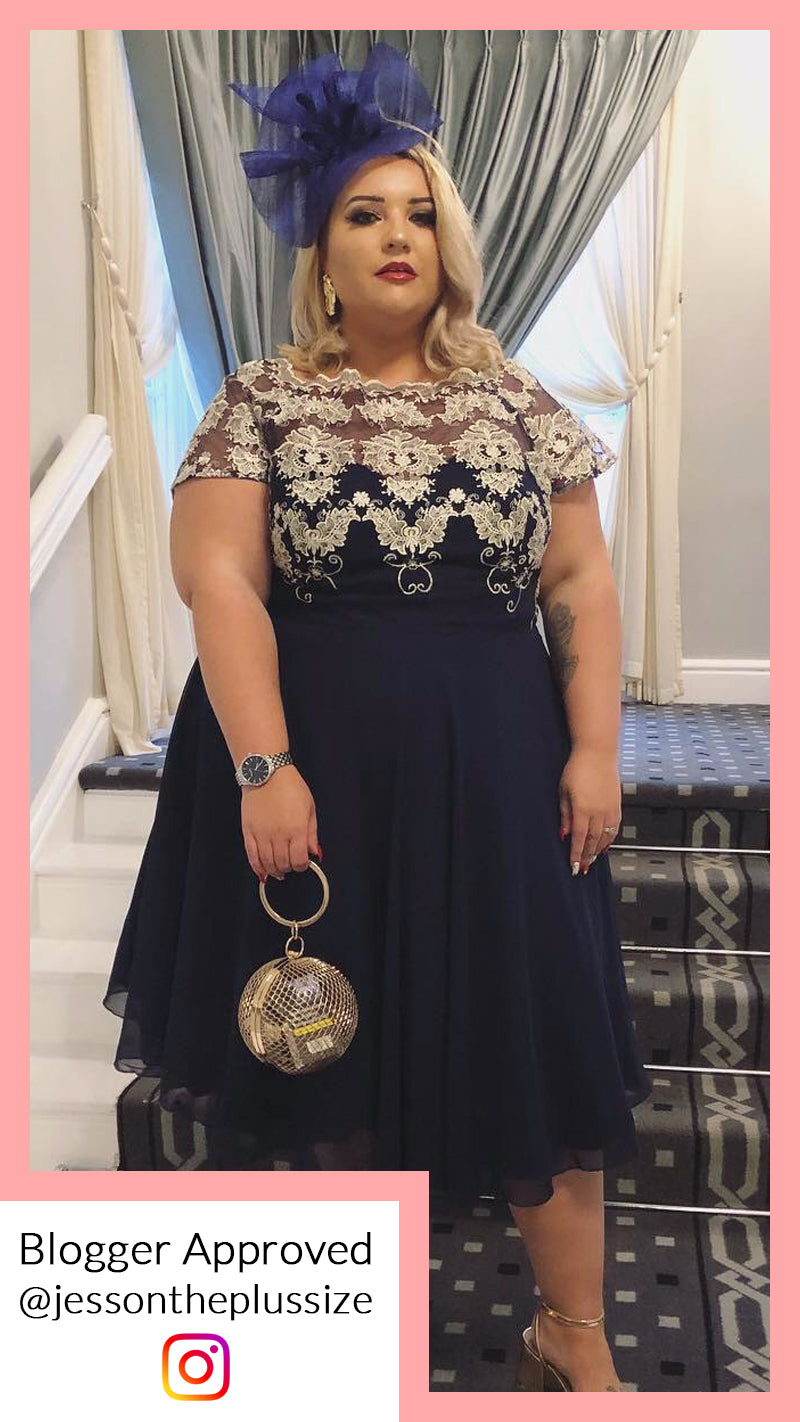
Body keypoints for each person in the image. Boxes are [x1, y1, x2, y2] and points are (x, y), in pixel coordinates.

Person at [103, 44, 652, 1391]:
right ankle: (334, 1341)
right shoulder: (261, 399)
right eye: (364, 213)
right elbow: (221, 582)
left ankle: (575, 1333)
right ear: (324, 252)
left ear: (450, 243)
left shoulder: (521, 401)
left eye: (418, 212)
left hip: (502, 771)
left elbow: (579, 581)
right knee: (322, 1054)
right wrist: (264, 766)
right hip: (318, 770)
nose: (397, 235)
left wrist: (595, 747)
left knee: (535, 1034)